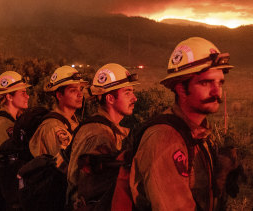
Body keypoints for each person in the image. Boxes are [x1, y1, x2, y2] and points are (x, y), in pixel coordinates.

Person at [129, 37, 235, 210]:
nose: (217, 91)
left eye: (220, 82)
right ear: (180, 89)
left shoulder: (199, 134)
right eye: (205, 82)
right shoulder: (165, 139)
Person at [67, 63, 139, 209]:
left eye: (132, 92)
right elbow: (90, 189)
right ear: (110, 99)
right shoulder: (100, 135)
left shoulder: (104, 129)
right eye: (127, 93)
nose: (134, 98)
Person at [0, 71, 31, 211]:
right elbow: (14, 155)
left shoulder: (11, 121)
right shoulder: (4, 124)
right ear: (9, 96)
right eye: (23, 93)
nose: (27, 96)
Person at [29, 65, 87, 170]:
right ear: (59, 95)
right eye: (73, 90)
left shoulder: (72, 121)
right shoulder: (53, 127)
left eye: (81, 89)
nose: (80, 94)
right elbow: (64, 168)